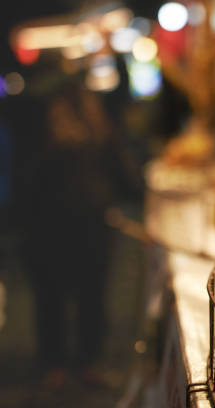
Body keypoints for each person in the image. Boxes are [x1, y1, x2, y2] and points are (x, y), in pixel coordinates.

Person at [15, 77, 141, 388]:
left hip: (47, 230)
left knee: (52, 300)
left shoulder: (38, 131)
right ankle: (86, 363)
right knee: (89, 298)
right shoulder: (97, 129)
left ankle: (56, 366)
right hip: (86, 228)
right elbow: (124, 176)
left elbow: (23, 184)